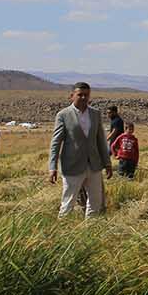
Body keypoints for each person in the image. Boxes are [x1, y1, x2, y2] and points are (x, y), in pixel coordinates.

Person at [48, 82, 113, 218]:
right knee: (68, 202)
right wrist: (52, 167)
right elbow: (56, 142)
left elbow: (100, 140)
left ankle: (91, 230)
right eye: (80, 95)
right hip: (72, 166)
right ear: (72, 96)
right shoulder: (63, 115)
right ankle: (62, 230)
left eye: (86, 95)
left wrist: (107, 163)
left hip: (94, 165)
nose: (83, 98)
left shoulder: (95, 114)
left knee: (96, 201)